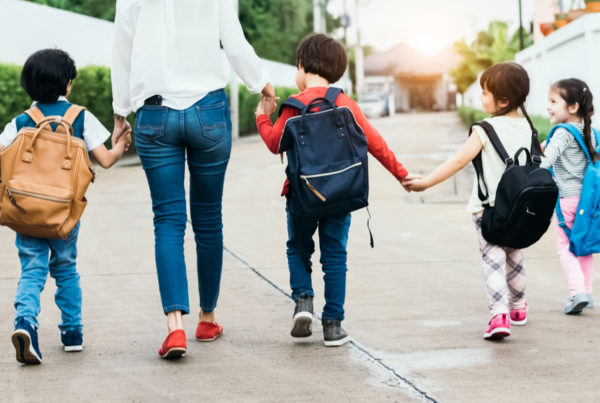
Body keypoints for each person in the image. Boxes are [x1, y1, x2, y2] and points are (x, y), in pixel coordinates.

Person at [111, 0, 276, 359]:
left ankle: (175, 329)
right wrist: (261, 83)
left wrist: (120, 113)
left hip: (154, 115)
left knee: (168, 220)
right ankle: (207, 318)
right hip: (209, 111)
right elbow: (234, 41)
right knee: (208, 219)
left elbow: (122, 50)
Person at [255, 33, 415, 347]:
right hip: (341, 194)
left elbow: (275, 143)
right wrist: (402, 175)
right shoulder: (344, 103)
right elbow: (375, 143)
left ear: (302, 66)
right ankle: (332, 325)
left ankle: (303, 301)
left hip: (301, 195)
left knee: (298, 248)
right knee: (335, 257)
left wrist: (262, 115)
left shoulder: (294, 106)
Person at [0, 49, 131, 364]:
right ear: (68, 84)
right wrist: (121, 142)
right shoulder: (80, 117)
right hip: (64, 214)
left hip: (26, 212)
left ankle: (26, 323)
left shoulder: (21, 121)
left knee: (32, 270)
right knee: (66, 269)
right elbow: (106, 160)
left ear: (28, 86)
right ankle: (72, 333)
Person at [404, 62, 537, 340]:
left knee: (493, 258)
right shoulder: (528, 126)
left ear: (503, 99)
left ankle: (499, 315)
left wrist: (426, 182)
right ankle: (519, 308)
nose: (481, 97)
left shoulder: (484, 129)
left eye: (485, 93)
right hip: (520, 208)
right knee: (515, 255)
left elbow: (458, 161)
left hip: (488, 209)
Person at [541, 78, 596, 314]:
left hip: (566, 202)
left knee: (565, 247)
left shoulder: (562, 133)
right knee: (583, 247)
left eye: (553, 101)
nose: (548, 107)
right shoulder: (590, 131)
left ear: (572, 107)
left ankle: (577, 292)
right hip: (588, 201)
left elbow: (545, 163)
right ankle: (588, 293)